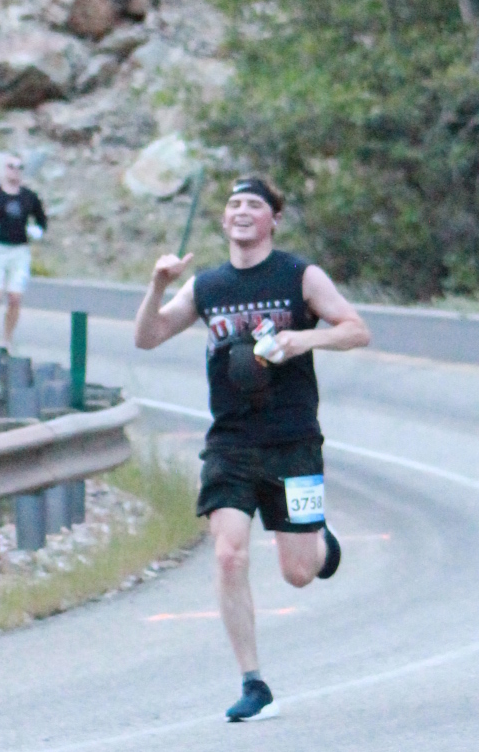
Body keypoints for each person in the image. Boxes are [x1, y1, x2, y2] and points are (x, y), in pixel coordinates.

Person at [132, 175, 370, 720]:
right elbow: (147, 337)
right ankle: (253, 683)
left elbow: (356, 329)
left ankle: (323, 545)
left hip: (293, 441)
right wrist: (157, 286)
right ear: (224, 220)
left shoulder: (299, 275)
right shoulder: (208, 286)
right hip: (231, 441)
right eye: (234, 204)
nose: (241, 211)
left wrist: (304, 338)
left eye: (254, 204)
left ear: (273, 219)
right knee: (228, 552)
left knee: (299, 572)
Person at [0, 150, 46, 348]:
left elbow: (41, 219)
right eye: (11, 167)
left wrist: (38, 230)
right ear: (4, 169)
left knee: (15, 297)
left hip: (19, 250)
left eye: (19, 167)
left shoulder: (29, 197)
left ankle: (6, 339)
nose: (15, 171)